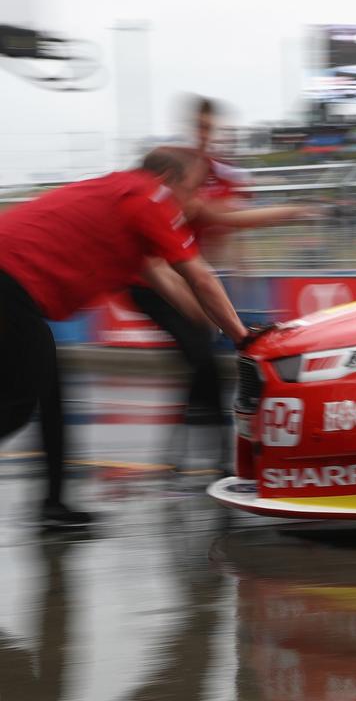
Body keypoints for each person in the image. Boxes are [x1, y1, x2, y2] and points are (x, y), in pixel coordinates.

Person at [0, 147, 255, 528]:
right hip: (9, 284)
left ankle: (53, 505)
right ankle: (53, 505)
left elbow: (168, 283)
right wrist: (242, 337)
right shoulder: (149, 197)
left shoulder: (122, 196)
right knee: (19, 402)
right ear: (168, 179)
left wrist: (209, 326)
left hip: (13, 286)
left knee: (49, 392)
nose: (197, 199)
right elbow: (198, 275)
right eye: (193, 187)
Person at [126, 97, 317, 469]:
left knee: (202, 362)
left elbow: (231, 222)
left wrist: (292, 212)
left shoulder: (210, 175)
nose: (205, 134)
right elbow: (161, 255)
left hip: (183, 280)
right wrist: (192, 298)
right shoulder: (174, 166)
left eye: (210, 128)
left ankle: (188, 452)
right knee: (202, 358)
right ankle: (211, 455)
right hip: (151, 282)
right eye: (199, 127)